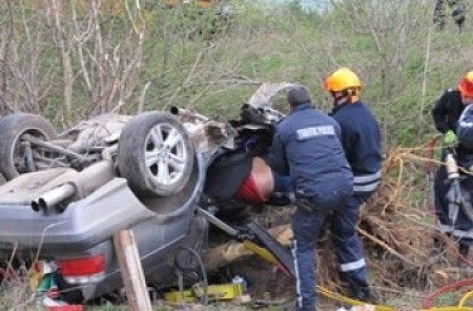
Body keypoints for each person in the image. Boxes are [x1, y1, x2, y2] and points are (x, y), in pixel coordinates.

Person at [267, 84, 353, 311]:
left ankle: (307, 305)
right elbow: (335, 152)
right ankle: (359, 289)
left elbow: (277, 165)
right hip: (344, 187)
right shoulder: (330, 121)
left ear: (290, 105)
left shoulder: (284, 128)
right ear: (311, 100)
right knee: (346, 234)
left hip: (314, 194)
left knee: (304, 247)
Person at [324, 67, 382, 301]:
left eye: (332, 94)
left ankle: (359, 287)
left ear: (340, 94)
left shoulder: (341, 121)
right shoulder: (365, 113)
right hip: (371, 177)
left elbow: (335, 159)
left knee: (343, 232)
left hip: (356, 184)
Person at [431, 71, 473, 265]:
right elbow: (437, 113)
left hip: (470, 158)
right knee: (441, 193)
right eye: (465, 95)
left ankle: (463, 254)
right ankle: (438, 245)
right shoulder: (450, 96)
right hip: (449, 152)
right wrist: (446, 131)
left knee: (468, 201)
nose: (466, 100)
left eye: (470, 98)